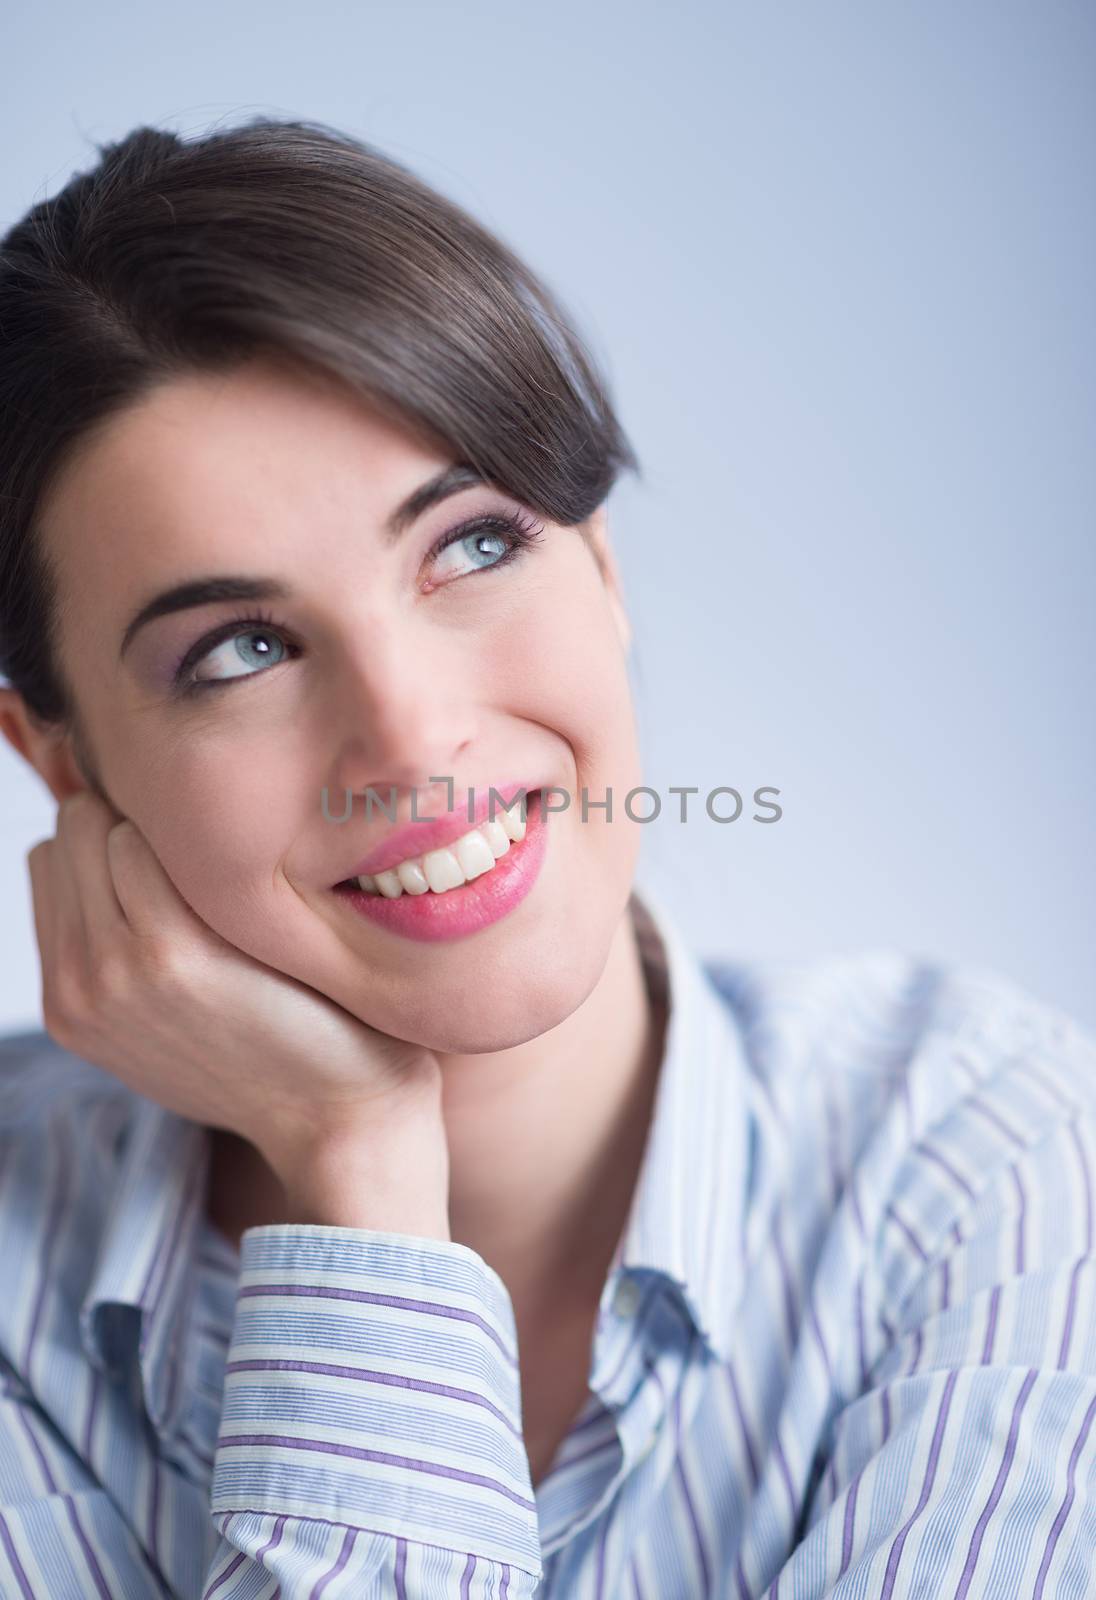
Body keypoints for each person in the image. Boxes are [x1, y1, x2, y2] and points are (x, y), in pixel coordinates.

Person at [0, 117, 1093, 1600]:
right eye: (240, 649)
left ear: (604, 568)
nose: (411, 739)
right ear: (60, 761)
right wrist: (365, 1180)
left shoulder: (986, 1161)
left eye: (470, 546)